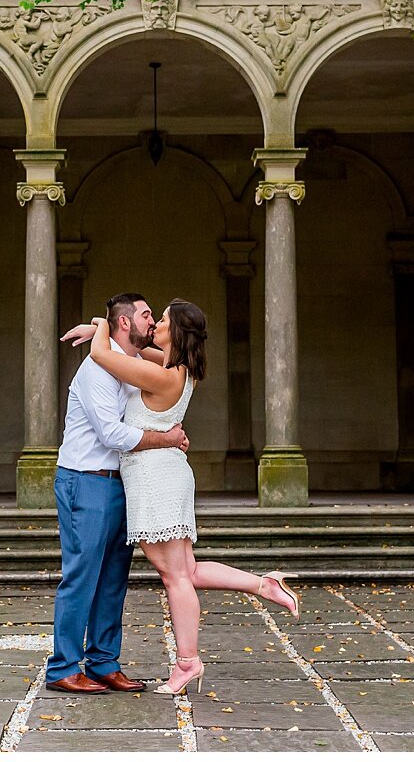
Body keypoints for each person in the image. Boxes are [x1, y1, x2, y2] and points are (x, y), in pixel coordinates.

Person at [65, 299, 302, 697]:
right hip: (160, 476)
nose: (155, 323)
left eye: (161, 320)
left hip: (157, 479)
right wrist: (102, 327)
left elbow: (103, 354)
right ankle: (264, 585)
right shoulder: (173, 367)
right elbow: (130, 348)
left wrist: (98, 329)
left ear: (175, 332)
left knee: (176, 577)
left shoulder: (166, 376)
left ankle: (187, 663)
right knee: (186, 571)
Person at [44, 293, 191, 696]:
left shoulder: (132, 365)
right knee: (81, 576)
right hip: (85, 480)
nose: (153, 321)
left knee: (113, 580)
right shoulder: (97, 369)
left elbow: (174, 364)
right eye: (147, 315)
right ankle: (62, 668)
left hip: (120, 482)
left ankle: (104, 662)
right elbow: (112, 434)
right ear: (126, 323)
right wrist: (164, 439)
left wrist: (98, 328)